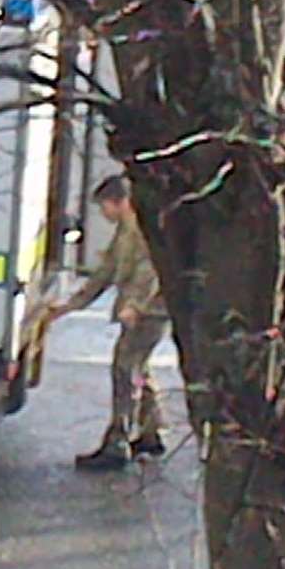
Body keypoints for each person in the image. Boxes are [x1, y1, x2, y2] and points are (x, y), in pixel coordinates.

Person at [46, 175, 170, 470]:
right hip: (143, 311)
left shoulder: (142, 229)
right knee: (139, 369)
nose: (103, 214)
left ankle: (118, 442)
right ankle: (151, 433)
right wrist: (69, 305)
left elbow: (150, 269)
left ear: (121, 202)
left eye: (104, 206)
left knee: (124, 369)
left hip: (148, 312)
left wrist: (134, 305)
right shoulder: (126, 230)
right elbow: (105, 272)